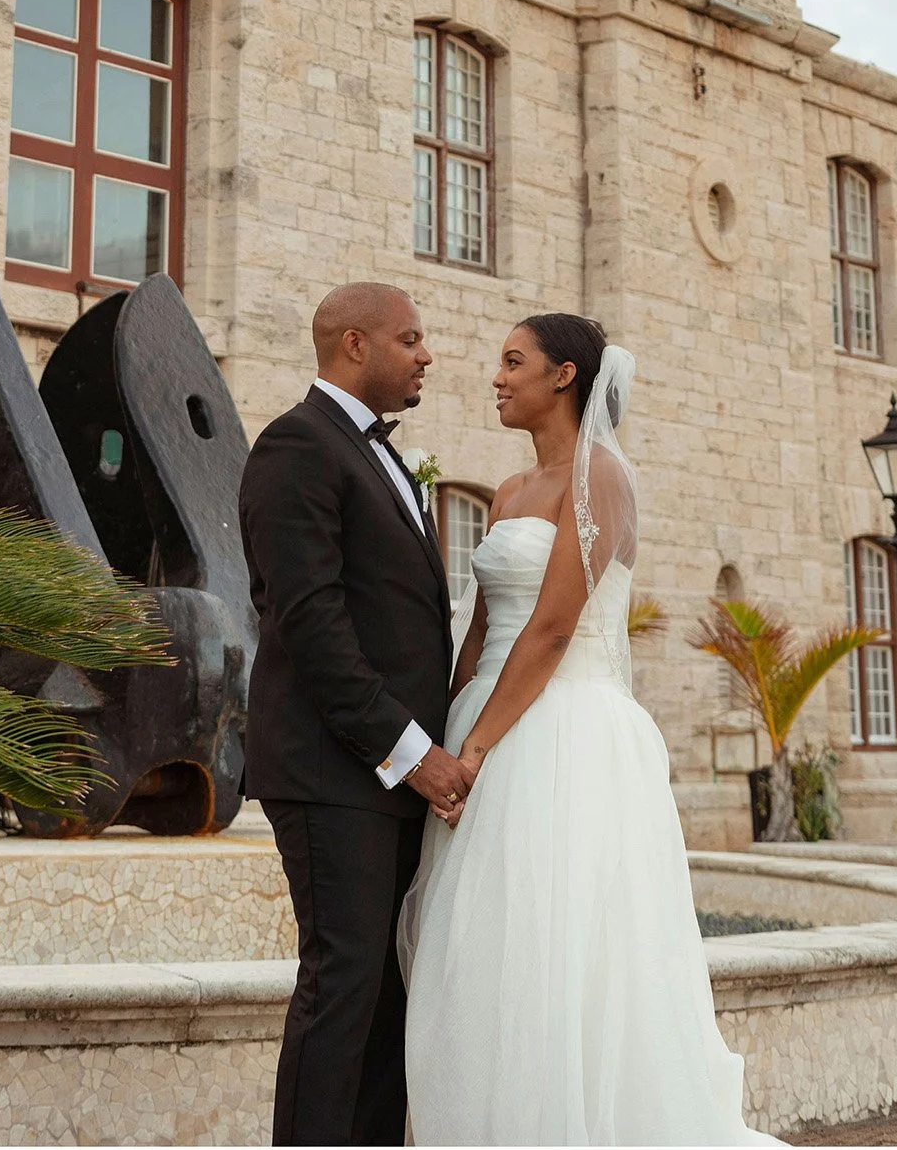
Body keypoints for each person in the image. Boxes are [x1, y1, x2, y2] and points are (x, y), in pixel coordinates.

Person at [399, 313, 779, 1147]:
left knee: (565, 944)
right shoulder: (504, 492)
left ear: (564, 376)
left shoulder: (601, 477)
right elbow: (482, 628)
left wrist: (477, 747)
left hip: (562, 733)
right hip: (482, 724)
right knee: (482, 954)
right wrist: (441, 733)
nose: (495, 378)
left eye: (513, 362)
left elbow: (553, 626)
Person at [238, 283, 462, 1146]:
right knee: (343, 987)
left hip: (386, 777)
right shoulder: (296, 446)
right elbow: (312, 626)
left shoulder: (376, 454)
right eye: (411, 339)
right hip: (336, 770)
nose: (426, 355)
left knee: (384, 991)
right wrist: (414, 753)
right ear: (356, 346)